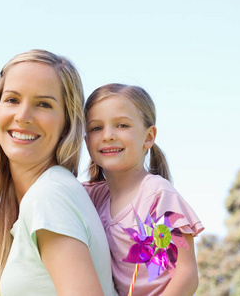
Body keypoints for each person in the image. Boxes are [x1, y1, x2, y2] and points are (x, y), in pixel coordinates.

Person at [0, 49, 117, 296]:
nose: (23, 116)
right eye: (12, 100)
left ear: (66, 124)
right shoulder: (48, 194)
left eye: (43, 104)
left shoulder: (49, 197)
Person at [83, 83, 204, 296]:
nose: (108, 135)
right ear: (86, 141)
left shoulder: (157, 194)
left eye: (122, 125)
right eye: (96, 128)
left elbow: (186, 274)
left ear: (148, 137)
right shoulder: (91, 197)